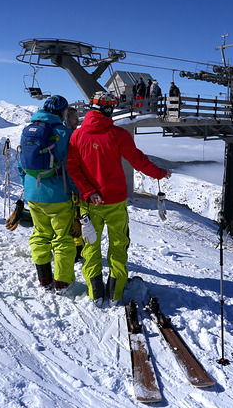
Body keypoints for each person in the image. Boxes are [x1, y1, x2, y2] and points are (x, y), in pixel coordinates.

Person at [67, 91, 172, 307]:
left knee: (91, 247)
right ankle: (114, 294)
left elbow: (72, 168)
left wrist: (88, 192)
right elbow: (139, 161)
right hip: (115, 201)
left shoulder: (76, 136)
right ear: (108, 110)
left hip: (89, 203)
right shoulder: (119, 135)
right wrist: (160, 173)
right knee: (118, 245)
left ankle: (95, 294)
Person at [18, 96, 78, 293]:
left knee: (40, 234)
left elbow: (21, 165)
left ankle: (44, 278)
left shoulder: (28, 130)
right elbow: (70, 167)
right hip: (58, 194)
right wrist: (75, 191)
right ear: (62, 112)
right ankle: (62, 281)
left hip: (33, 193)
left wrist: (27, 186)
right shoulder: (64, 132)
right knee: (62, 238)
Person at [63, 107, 84, 263]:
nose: (78, 121)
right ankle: (78, 250)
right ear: (66, 119)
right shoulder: (71, 136)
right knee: (78, 218)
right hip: (73, 186)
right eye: (74, 118)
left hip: (60, 186)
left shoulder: (58, 135)